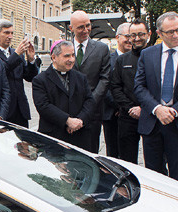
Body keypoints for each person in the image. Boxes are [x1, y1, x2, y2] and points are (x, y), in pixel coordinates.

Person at [134, 12, 178, 183]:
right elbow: (139, 86)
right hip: (152, 123)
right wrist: (157, 109)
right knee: (154, 176)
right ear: (159, 33)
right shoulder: (147, 54)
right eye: (170, 32)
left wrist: (174, 111)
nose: (176, 35)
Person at [32, 40, 95, 149]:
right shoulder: (40, 80)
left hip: (80, 135)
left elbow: (90, 101)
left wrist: (79, 121)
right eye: (66, 56)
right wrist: (67, 120)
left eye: (73, 55)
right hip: (54, 136)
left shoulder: (80, 77)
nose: (71, 59)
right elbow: (43, 106)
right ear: (54, 57)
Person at [70, 11, 111, 153]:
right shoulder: (64, 48)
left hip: (93, 112)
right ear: (71, 28)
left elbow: (105, 78)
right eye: (81, 27)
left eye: (88, 25)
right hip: (69, 112)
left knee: (90, 153)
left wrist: (90, 103)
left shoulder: (102, 49)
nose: (86, 30)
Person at [109, 19, 149, 164]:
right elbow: (116, 87)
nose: (136, 38)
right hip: (127, 116)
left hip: (151, 116)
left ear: (148, 34)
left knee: (154, 163)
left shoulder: (156, 58)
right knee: (127, 162)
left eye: (141, 34)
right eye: (133, 35)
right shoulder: (122, 60)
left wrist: (144, 108)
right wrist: (130, 108)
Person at [0, 19, 40, 127]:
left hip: (20, 109)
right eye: (6, 33)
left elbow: (30, 77)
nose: (10, 36)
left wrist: (31, 60)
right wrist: (16, 54)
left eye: (12, 33)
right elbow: (1, 73)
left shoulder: (16, 53)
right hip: (3, 110)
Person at [102, 22, 131, 158]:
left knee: (129, 155)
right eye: (127, 36)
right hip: (111, 114)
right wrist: (120, 105)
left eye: (133, 36)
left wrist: (128, 107)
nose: (130, 39)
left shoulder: (139, 59)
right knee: (112, 155)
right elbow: (104, 86)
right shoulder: (107, 60)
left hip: (131, 115)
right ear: (118, 37)